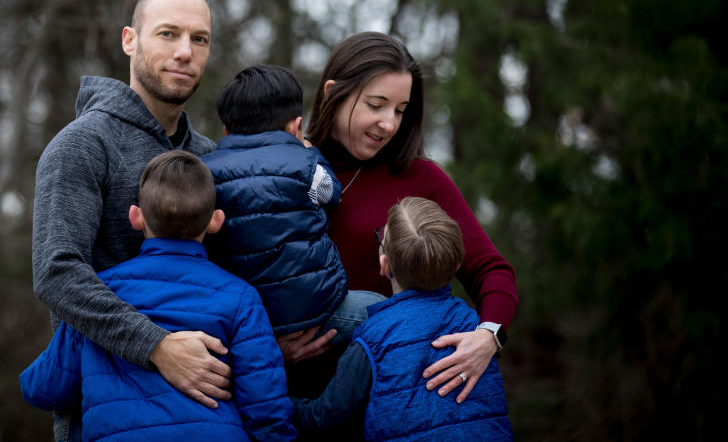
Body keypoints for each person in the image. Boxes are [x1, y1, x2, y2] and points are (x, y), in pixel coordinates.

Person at [31, 0, 233, 440]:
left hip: (206, 408)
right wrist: (157, 346)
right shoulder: (82, 145)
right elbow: (57, 273)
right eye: (168, 34)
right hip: (103, 407)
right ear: (130, 40)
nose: (184, 52)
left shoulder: (209, 157)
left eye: (199, 39)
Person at [281, 31, 518, 404]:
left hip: (399, 400)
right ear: (332, 93)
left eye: (400, 109)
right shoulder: (284, 168)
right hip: (298, 401)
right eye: (376, 105)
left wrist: (489, 336)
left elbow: (491, 270)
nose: (390, 124)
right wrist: (271, 350)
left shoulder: (421, 178)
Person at [21, 151, 296, 441]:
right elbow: (267, 412)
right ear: (216, 221)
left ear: (135, 217)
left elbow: (44, 388)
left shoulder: (98, 295)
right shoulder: (241, 298)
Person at [291, 197, 514, 441]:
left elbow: (325, 419)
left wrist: (275, 400)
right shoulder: (475, 329)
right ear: (457, 265)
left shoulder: (372, 338)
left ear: (384, 264)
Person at [202, 65, 384, 341]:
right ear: (296, 126)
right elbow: (332, 193)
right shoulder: (305, 165)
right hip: (312, 310)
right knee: (379, 309)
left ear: (225, 131)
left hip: (240, 319)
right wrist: (312, 153)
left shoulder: (204, 172)